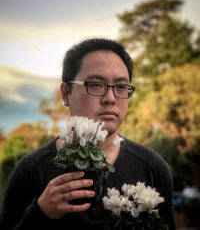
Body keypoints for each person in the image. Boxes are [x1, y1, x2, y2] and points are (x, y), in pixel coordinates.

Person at [0, 38, 176, 229]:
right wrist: (41, 213)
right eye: (95, 84)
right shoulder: (31, 170)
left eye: (120, 87)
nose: (110, 98)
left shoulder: (151, 167)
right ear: (66, 93)